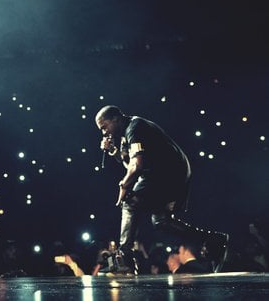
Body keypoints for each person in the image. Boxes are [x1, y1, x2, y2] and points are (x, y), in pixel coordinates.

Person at [94, 105, 228, 274]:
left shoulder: (135, 127)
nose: (104, 133)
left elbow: (137, 165)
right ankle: (213, 240)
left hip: (169, 172)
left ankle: (124, 258)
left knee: (130, 201)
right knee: (162, 222)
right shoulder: (125, 135)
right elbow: (131, 163)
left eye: (104, 127)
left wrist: (124, 185)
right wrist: (113, 151)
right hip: (164, 174)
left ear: (116, 118)